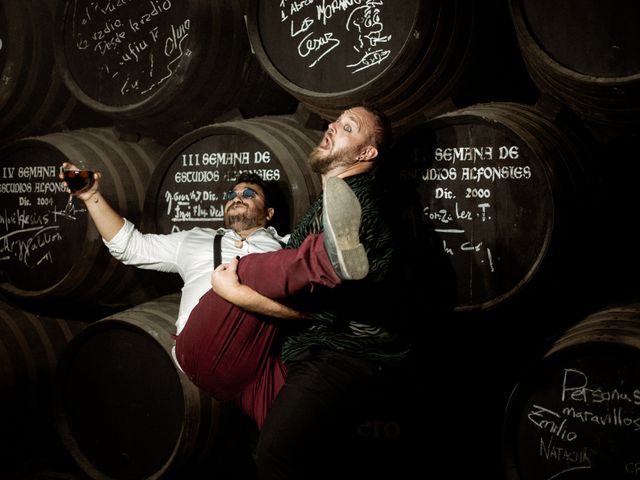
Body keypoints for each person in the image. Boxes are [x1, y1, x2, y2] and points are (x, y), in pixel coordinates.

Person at [176, 105, 412, 479]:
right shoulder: (330, 200)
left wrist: (233, 289)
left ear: (366, 153)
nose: (333, 126)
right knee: (298, 458)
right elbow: (308, 309)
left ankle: (324, 259)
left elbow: (331, 313)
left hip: (339, 353)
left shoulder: (363, 202)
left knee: (275, 458)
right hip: (297, 351)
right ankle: (318, 260)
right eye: (335, 120)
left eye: (348, 127)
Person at [59, 166, 289, 344]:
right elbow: (130, 246)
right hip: (205, 345)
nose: (236, 198)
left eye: (248, 194)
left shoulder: (287, 247)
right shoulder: (194, 239)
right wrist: (91, 196)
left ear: (268, 213)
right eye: (231, 194)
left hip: (263, 347)